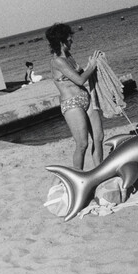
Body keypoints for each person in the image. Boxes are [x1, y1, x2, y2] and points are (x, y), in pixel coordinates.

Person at [46, 23, 104, 170]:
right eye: (70, 38)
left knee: (98, 137)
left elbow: (81, 73)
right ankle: (78, 177)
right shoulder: (57, 61)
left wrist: (95, 63)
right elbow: (79, 80)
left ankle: (100, 171)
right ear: (62, 41)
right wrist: (91, 66)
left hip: (85, 98)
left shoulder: (69, 57)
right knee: (82, 144)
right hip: (72, 104)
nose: (72, 40)